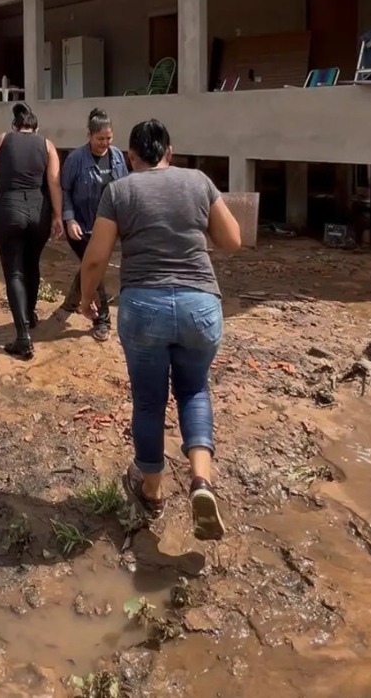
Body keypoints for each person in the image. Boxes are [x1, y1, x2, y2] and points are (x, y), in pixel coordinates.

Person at [76, 119, 243, 541]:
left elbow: (95, 258)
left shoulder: (120, 190)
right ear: (169, 152)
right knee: (194, 390)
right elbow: (232, 240)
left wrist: (86, 298)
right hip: (200, 306)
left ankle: (151, 490)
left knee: (149, 401)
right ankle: (201, 482)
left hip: (144, 306)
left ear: (130, 158)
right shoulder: (199, 181)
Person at [0, 103, 63, 360]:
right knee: (32, 265)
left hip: (10, 211)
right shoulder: (47, 145)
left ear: (15, 127)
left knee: (14, 272)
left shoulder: (3, 139)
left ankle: (22, 337)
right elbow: (53, 183)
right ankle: (30, 316)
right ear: (36, 128)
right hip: (39, 212)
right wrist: (58, 216)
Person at [58, 108, 129, 341]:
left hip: (106, 226)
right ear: (89, 135)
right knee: (95, 267)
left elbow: (125, 188)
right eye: (100, 139)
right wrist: (69, 219)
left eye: (109, 138)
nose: (104, 143)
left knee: (89, 264)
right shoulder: (75, 159)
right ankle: (103, 320)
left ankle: (70, 302)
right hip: (80, 226)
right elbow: (65, 190)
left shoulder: (117, 156)